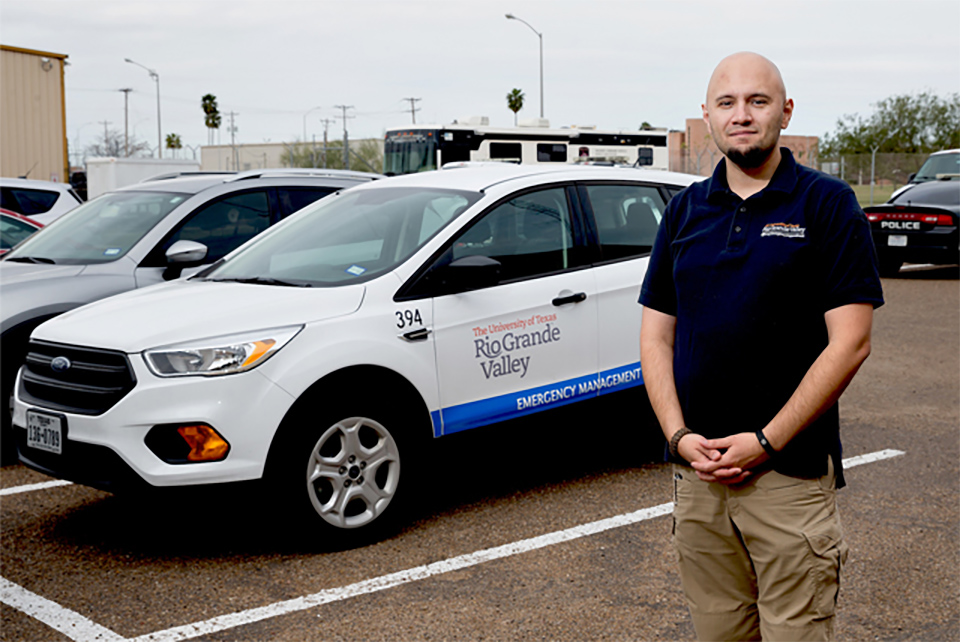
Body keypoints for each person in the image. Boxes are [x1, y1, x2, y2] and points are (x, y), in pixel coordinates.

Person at [638, 52, 883, 641]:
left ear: (785, 111)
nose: (741, 115)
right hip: (699, 479)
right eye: (727, 103)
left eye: (757, 101)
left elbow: (850, 342)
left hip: (788, 478)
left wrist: (767, 440)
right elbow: (656, 334)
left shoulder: (827, 204)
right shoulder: (684, 212)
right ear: (708, 116)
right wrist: (678, 437)